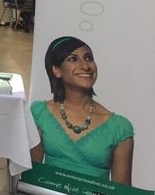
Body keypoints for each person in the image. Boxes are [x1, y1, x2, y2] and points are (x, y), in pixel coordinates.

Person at [30, 36, 134, 185]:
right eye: (73, 59)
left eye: (89, 58)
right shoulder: (40, 113)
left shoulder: (120, 128)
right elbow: (31, 177)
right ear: (56, 70)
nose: (85, 66)